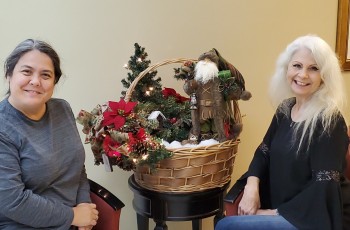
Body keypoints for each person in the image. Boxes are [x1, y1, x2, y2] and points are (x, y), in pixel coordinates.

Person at [216, 35, 350, 230]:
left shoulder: (329, 121)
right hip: (286, 209)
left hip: (315, 216)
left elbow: (323, 188)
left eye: (313, 68)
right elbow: (263, 152)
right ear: (287, 68)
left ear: (324, 76)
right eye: (297, 65)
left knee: (226, 227)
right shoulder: (285, 109)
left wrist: (272, 213)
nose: (303, 75)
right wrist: (252, 186)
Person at [0, 39, 98, 229]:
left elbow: (76, 165)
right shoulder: (3, 127)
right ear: (9, 75)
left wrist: (84, 203)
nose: (35, 81)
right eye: (26, 71)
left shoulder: (61, 108)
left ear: (54, 82)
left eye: (46, 75)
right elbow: (12, 202)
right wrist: (73, 216)